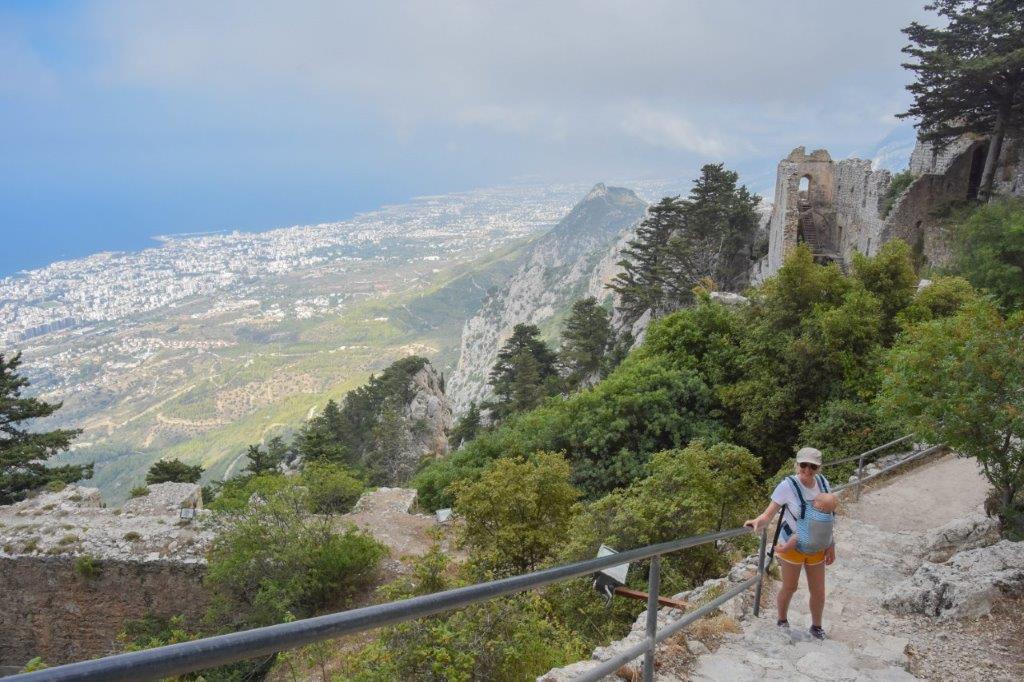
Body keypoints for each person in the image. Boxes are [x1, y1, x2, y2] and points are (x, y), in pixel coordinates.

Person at [745, 447, 835, 640]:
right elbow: (768, 514)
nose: (808, 470)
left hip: (817, 546)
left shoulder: (823, 483)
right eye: (804, 465)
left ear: (819, 468)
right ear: (797, 464)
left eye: (813, 466)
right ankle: (782, 619)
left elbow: (828, 518)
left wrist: (831, 544)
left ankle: (816, 626)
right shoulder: (787, 486)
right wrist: (756, 522)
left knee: (818, 590)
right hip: (792, 545)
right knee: (790, 587)